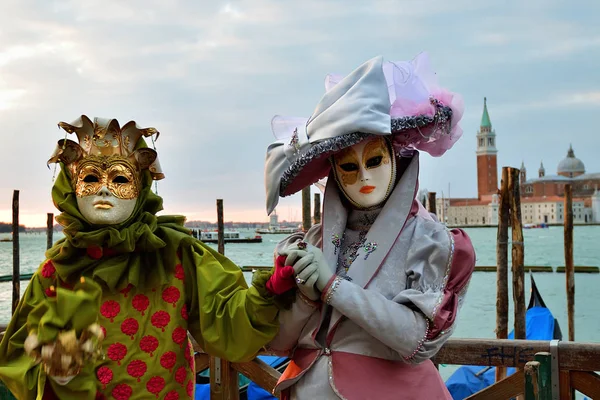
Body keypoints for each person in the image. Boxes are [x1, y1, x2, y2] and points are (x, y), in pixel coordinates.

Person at [0, 116, 294, 399]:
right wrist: (55, 368)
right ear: (70, 186)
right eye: (90, 176)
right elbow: (19, 356)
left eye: (119, 177)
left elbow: (227, 323)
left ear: (140, 186)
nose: (104, 188)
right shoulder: (56, 271)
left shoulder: (176, 256)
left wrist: (267, 294)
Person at [263, 53, 476, 399]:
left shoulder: (427, 240)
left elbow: (418, 340)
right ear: (333, 174)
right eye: (348, 166)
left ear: (395, 157)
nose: (363, 175)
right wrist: (302, 293)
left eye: (374, 160)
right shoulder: (316, 240)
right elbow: (278, 343)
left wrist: (332, 286)